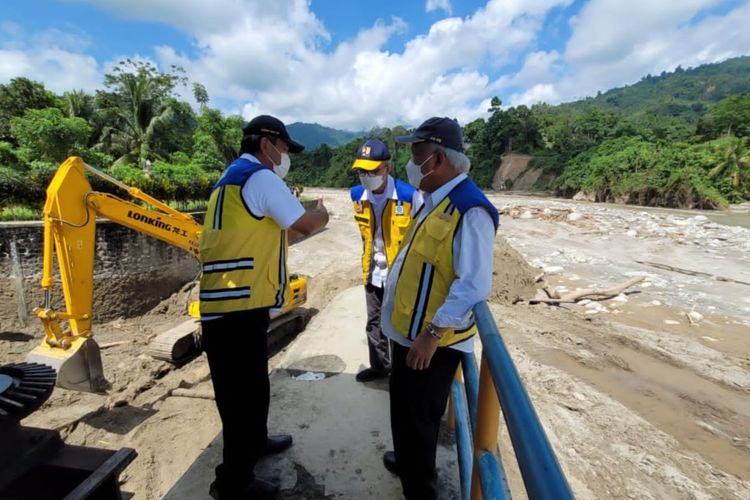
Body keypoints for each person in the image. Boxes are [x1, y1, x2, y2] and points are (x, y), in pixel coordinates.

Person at [199, 114, 329, 499]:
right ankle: (232, 483)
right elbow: (304, 226)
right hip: (236, 310)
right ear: (267, 143)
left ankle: (256, 443)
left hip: (233, 306)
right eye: (285, 147)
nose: (286, 155)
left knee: (252, 388)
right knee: (241, 399)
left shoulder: (231, 179)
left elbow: (275, 235)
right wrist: (322, 212)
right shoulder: (261, 178)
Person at [380, 117, 499, 499]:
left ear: (440, 159)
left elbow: (474, 284)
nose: (411, 165)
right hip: (408, 333)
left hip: (433, 342)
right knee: (404, 408)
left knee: (419, 419)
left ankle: (420, 489)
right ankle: (408, 461)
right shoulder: (436, 199)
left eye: (417, 156)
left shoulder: (471, 209)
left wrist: (432, 335)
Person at [349, 139, 420, 383]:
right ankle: (380, 367)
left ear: (387, 168)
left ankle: (401, 374)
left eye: (372, 170)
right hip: (372, 271)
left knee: (400, 325)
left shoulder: (410, 197)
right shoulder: (357, 195)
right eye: (361, 171)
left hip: (400, 275)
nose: (366, 176)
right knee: (374, 323)